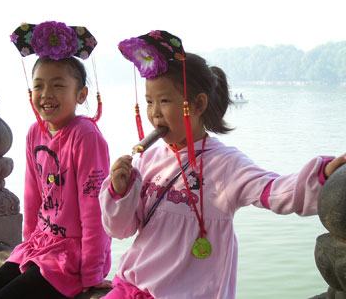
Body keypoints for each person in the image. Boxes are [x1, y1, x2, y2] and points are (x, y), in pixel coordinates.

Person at [98, 30, 346, 299]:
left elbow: (274, 191)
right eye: (149, 102)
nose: (155, 112)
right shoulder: (147, 160)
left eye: (165, 100)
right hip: (132, 286)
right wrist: (119, 191)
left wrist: (324, 175)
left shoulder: (226, 164)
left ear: (197, 104)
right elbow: (120, 230)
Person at [0, 21, 112, 299]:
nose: (47, 94)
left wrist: (93, 272)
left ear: (81, 94)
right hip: (40, 246)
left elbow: (94, 209)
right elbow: (32, 195)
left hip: (70, 254)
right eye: (39, 86)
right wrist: (26, 245)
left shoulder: (85, 136)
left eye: (58, 85)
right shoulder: (35, 131)